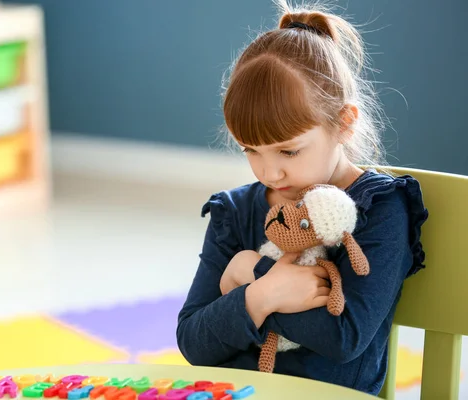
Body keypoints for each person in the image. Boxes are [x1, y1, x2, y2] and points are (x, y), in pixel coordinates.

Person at [175, 1, 429, 395]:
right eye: (250, 150)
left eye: (289, 152)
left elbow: (344, 339)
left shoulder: (380, 208)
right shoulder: (235, 210)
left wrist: (251, 275)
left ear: (343, 124)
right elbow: (193, 340)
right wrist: (263, 294)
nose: (269, 173)